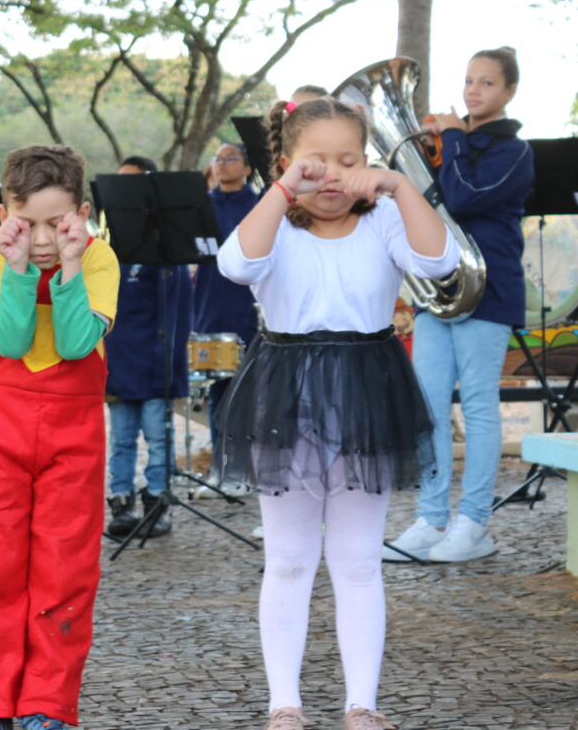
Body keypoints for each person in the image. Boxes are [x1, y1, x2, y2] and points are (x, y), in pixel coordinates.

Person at [210, 97, 459, 730]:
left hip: (366, 393)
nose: (333, 176)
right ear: (287, 164)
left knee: (358, 561)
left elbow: (441, 261)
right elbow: (235, 264)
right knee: (289, 559)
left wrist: (399, 184)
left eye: (349, 161)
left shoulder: (384, 221)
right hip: (284, 393)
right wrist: (281, 190)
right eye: (315, 162)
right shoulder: (275, 222)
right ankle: (284, 704)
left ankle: (361, 705)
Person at [0, 145, 119, 730]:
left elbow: (76, 345)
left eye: (59, 222)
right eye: (29, 224)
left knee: (65, 570)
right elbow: (10, 340)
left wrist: (71, 268)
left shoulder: (99, 259)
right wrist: (19, 269)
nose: (45, 238)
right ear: (5, 217)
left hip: (73, 440)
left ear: (83, 213)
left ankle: (46, 704)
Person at [385, 46, 535, 563]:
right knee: (427, 406)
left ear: (509, 91)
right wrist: (436, 145)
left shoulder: (514, 151)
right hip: (438, 290)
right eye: (470, 81)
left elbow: (465, 197)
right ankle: (430, 519)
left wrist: (451, 139)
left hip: (489, 292)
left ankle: (472, 524)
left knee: (477, 405)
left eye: (487, 83)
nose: (473, 91)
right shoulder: (453, 144)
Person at [103, 155, 191, 538]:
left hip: (156, 362)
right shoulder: (108, 246)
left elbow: (178, 315)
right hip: (119, 361)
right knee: (121, 440)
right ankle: (121, 503)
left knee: (158, 438)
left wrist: (170, 365)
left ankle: (158, 503)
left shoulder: (167, 248)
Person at [191, 141, 260, 497]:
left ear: (247, 168)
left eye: (230, 158)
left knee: (246, 397)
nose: (221, 164)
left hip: (248, 311)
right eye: (217, 158)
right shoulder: (199, 206)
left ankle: (244, 471)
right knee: (218, 395)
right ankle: (221, 470)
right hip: (209, 309)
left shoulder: (259, 206)